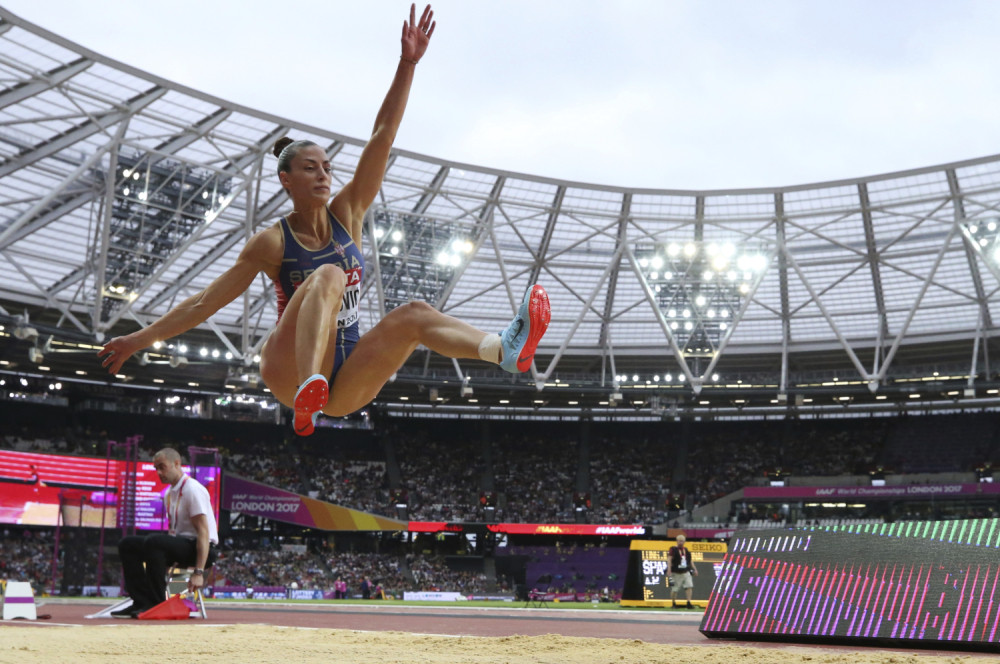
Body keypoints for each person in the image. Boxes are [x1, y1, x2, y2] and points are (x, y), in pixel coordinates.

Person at [97, 4, 551, 436]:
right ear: (285, 180)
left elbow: (382, 136)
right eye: (310, 167)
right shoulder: (271, 243)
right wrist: (140, 338)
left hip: (346, 373)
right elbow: (204, 303)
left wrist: (407, 64)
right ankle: (307, 390)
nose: (323, 173)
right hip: (288, 369)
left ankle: (503, 351)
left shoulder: (348, 215)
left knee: (413, 314)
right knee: (330, 273)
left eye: (327, 167)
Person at [111, 447, 219, 618]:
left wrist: (199, 573)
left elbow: (204, 533)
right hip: (181, 544)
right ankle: (141, 601)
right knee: (128, 544)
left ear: (177, 464)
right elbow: (173, 533)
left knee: (155, 541)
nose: (159, 472)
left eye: (162, 467)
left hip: (203, 549)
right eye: (156, 468)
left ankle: (156, 603)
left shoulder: (192, 490)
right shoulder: (169, 493)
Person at [667, 534, 698, 609]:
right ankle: (673, 603)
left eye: (682, 541)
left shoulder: (686, 550)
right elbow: (669, 559)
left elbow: (690, 561)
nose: (681, 542)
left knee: (689, 586)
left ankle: (688, 602)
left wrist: (695, 569)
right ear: (677, 541)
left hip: (685, 571)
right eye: (679, 541)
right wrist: (669, 569)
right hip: (676, 572)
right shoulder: (673, 549)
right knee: (675, 589)